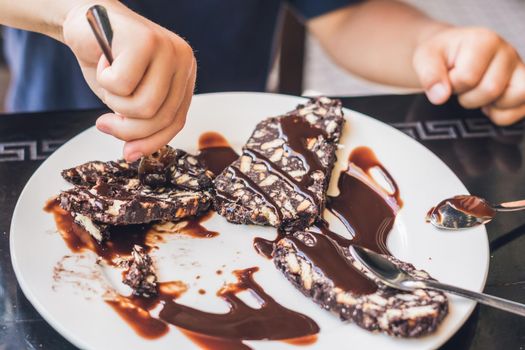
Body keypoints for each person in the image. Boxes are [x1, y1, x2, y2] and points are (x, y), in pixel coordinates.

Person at [2, 0, 525, 162]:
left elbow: (344, 18)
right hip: (49, 136)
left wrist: (430, 45)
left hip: (232, 143)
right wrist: (72, 11)